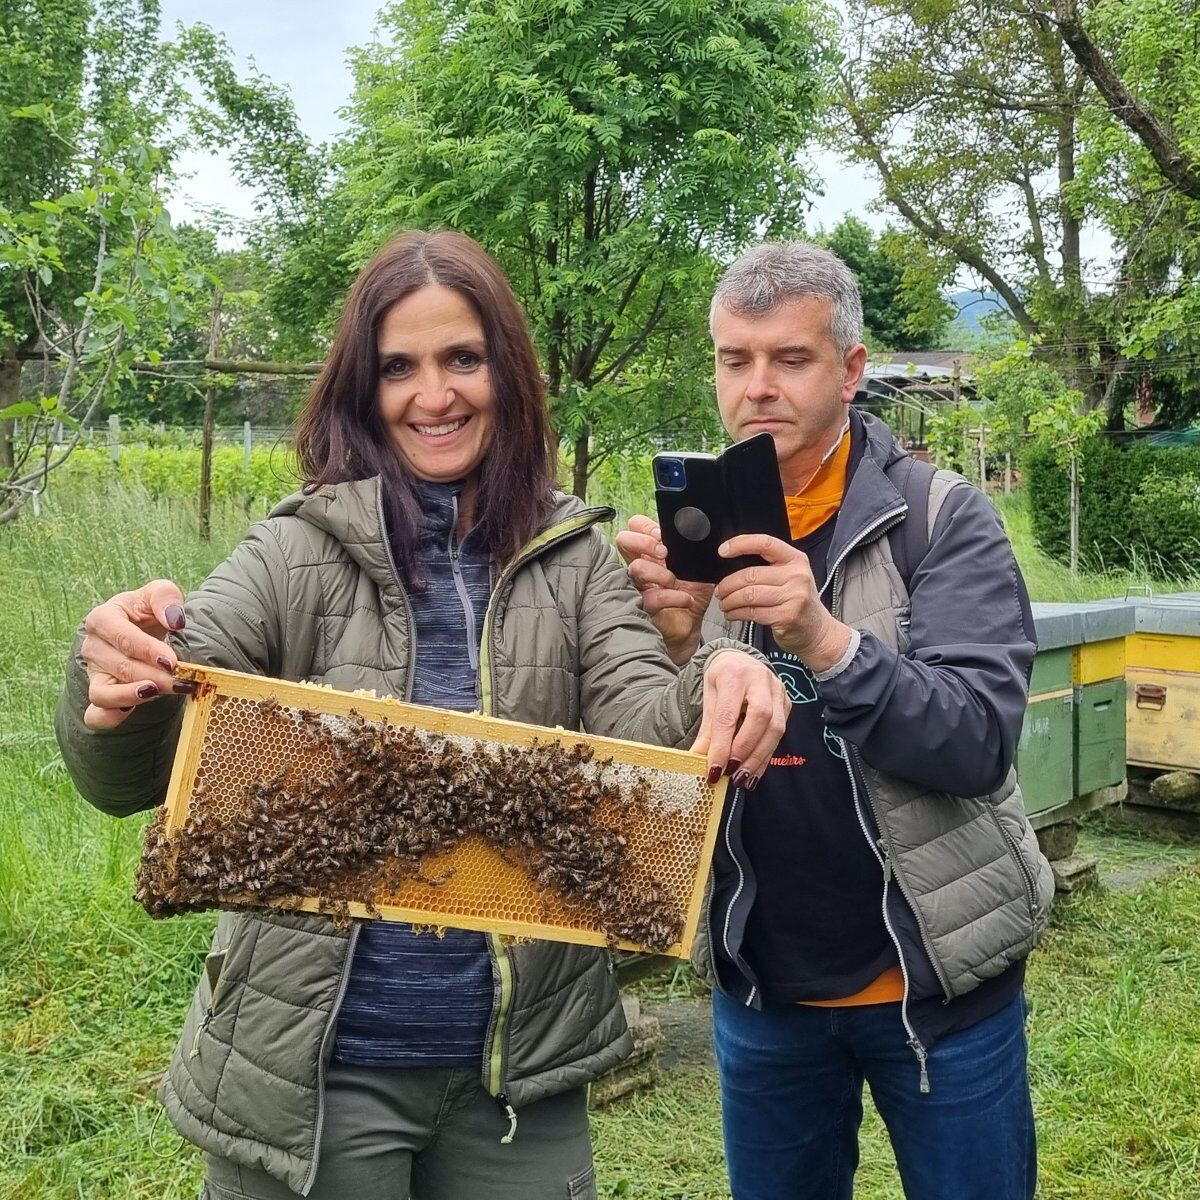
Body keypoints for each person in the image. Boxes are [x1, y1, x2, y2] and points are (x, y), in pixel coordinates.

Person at [54, 229, 790, 1200]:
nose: (433, 394)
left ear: (508, 375)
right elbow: (125, 775)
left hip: (520, 1085)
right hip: (310, 1083)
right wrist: (109, 671)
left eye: (462, 360)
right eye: (400, 367)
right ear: (363, 386)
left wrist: (725, 669)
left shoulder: (576, 563)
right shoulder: (290, 553)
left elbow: (651, 752)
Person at [617, 241, 1054, 1200]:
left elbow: (979, 741)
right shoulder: (696, 537)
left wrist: (823, 637)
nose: (757, 387)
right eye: (736, 361)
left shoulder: (940, 518)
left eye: (791, 359)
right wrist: (682, 648)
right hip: (765, 987)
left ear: (851, 371)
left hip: (937, 992)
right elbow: (644, 767)